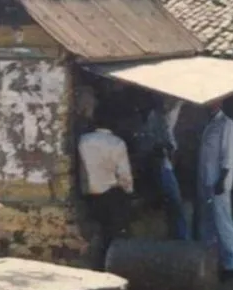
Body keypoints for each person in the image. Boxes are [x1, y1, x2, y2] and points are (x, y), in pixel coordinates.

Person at [77, 120, 134, 270]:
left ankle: (94, 264)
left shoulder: (83, 140)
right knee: (113, 233)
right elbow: (125, 175)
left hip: (87, 194)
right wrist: (129, 192)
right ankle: (111, 265)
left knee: (94, 232)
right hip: (110, 194)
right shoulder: (117, 143)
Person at [197, 99, 233, 281]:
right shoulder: (209, 125)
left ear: (220, 103)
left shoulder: (227, 124)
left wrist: (222, 179)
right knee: (208, 223)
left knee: (223, 222)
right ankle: (211, 262)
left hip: (218, 181)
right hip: (206, 179)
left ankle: (231, 265)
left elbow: (227, 155)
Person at [144, 95, 190, 241]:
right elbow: (151, 140)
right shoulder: (156, 116)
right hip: (164, 165)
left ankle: (184, 238)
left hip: (181, 165)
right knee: (174, 203)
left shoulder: (187, 111)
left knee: (182, 203)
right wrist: (162, 149)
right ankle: (180, 239)